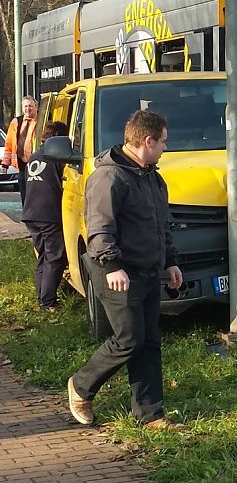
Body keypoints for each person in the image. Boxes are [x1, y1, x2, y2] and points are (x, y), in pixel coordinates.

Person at [67, 110, 183, 430]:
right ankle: (80, 386)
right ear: (147, 141)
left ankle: (150, 415)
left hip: (146, 271)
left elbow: (162, 226)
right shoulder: (109, 177)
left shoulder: (152, 177)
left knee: (149, 342)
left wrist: (170, 261)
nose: (165, 148)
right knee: (129, 339)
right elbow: (99, 228)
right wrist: (113, 265)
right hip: (116, 272)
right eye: (163, 142)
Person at [22, 121, 70, 312]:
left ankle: (42, 298)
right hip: (47, 213)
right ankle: (48, 302)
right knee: (56, 256)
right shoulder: (56, 157)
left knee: (44, 255)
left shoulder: (35, 156)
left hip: (31, 213)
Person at [1, 95, 39, 204]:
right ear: (22, 108)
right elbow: (9, 144)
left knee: (36, 193)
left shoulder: (42, 120)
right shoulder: (16, 122)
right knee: (24, 193)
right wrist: (5, 164)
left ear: (36, 107)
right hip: (22, 165)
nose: (28, 109)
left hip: (38, 165)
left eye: (30, 106)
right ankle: (27, 214)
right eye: (25, 106)